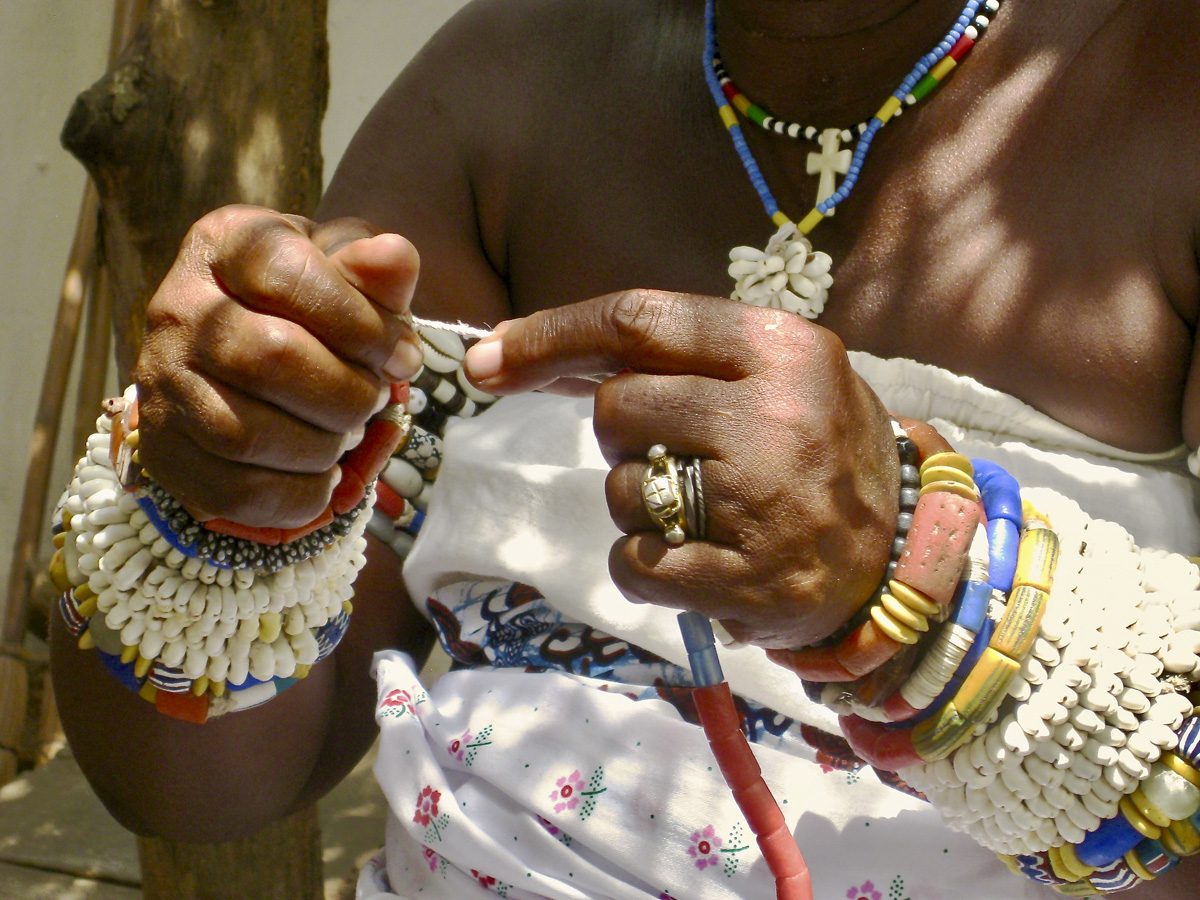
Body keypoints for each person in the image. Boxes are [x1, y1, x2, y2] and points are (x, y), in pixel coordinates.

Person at [48, 0, 1200, 897]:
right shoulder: (498, 88)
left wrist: (923, 586)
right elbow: (197, 782)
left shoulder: (1169, 85)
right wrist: (216, 504)